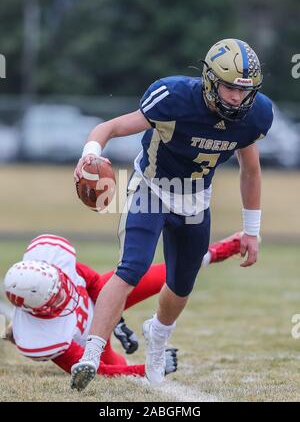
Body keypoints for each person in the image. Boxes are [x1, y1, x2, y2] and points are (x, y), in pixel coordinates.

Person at [71, 38, 273, 391]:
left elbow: (251, 171)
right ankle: (92, 351)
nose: (237, 98)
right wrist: (90, 153)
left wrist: (251, 231)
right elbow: (110, 128)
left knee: (181, 285)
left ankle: (157, 337)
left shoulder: (253, 116)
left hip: (195, 200)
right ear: (210, 80)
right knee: (132, 267)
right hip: (152, 189)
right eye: (229, 88)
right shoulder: (174, 98)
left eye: (245, 91)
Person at [3, 232, 242, 379]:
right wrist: (144, 369)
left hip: (98, 298)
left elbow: (96, 283)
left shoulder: (55, 262)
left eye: (60, 284)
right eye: (55, 298)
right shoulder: (45, 339)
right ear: (39, 310)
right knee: (119, 367)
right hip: (90, 341)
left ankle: (221, 249)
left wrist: (116, 322)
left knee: (162, 275)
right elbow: (96, 371)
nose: (64, 293)